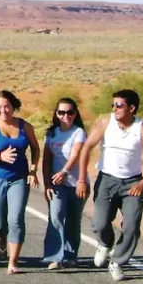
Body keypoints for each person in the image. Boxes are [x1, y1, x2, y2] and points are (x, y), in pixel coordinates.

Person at [77, 89, 143, 281]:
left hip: (132, 183)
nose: (114, 109)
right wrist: (82, 179)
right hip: (107, 180)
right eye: (113, 105)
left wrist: (142, 183)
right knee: (99, 224)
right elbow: (86, 148)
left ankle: (117, 261)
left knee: (132, 227)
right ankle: (105, 243)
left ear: (131, 108)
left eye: (119, 105)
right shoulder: (105, 123)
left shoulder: (141, 128)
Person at [0, 90, 40, 274]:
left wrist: (33, 170)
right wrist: (0, 156)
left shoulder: (25, 127)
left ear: (13, 107)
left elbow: (36, 150)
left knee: (16, 219)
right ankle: (1, 237)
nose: (3, 110)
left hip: (19, 179)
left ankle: (13, 262)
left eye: (7, 106)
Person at [41, 98, 87, 270]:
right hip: (56, 183)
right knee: (56, 216)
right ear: (56, 114)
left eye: (70, 112)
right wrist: (47, 183)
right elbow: (46, 160)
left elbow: (76, 155)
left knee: (73, 220)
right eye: (61, 112)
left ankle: (70, 255)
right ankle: (55, 256)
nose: (65, 116)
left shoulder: (78, 132)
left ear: (75, 114)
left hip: (76, 183)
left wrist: (64, 172)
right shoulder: (51, 133)